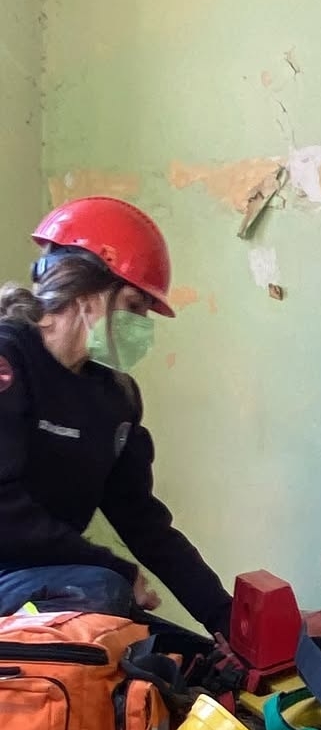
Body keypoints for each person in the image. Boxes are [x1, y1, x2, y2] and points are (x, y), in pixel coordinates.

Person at [0, 197, 231, 636]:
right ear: (85, 292)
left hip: (49, 580)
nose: (141, 324)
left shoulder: (115, 397)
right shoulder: (9, 359)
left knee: (186, 650)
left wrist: (224, 617)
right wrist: (115, 568)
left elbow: (143, 521)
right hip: (20, 575)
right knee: (106, 591)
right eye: (134, 306)